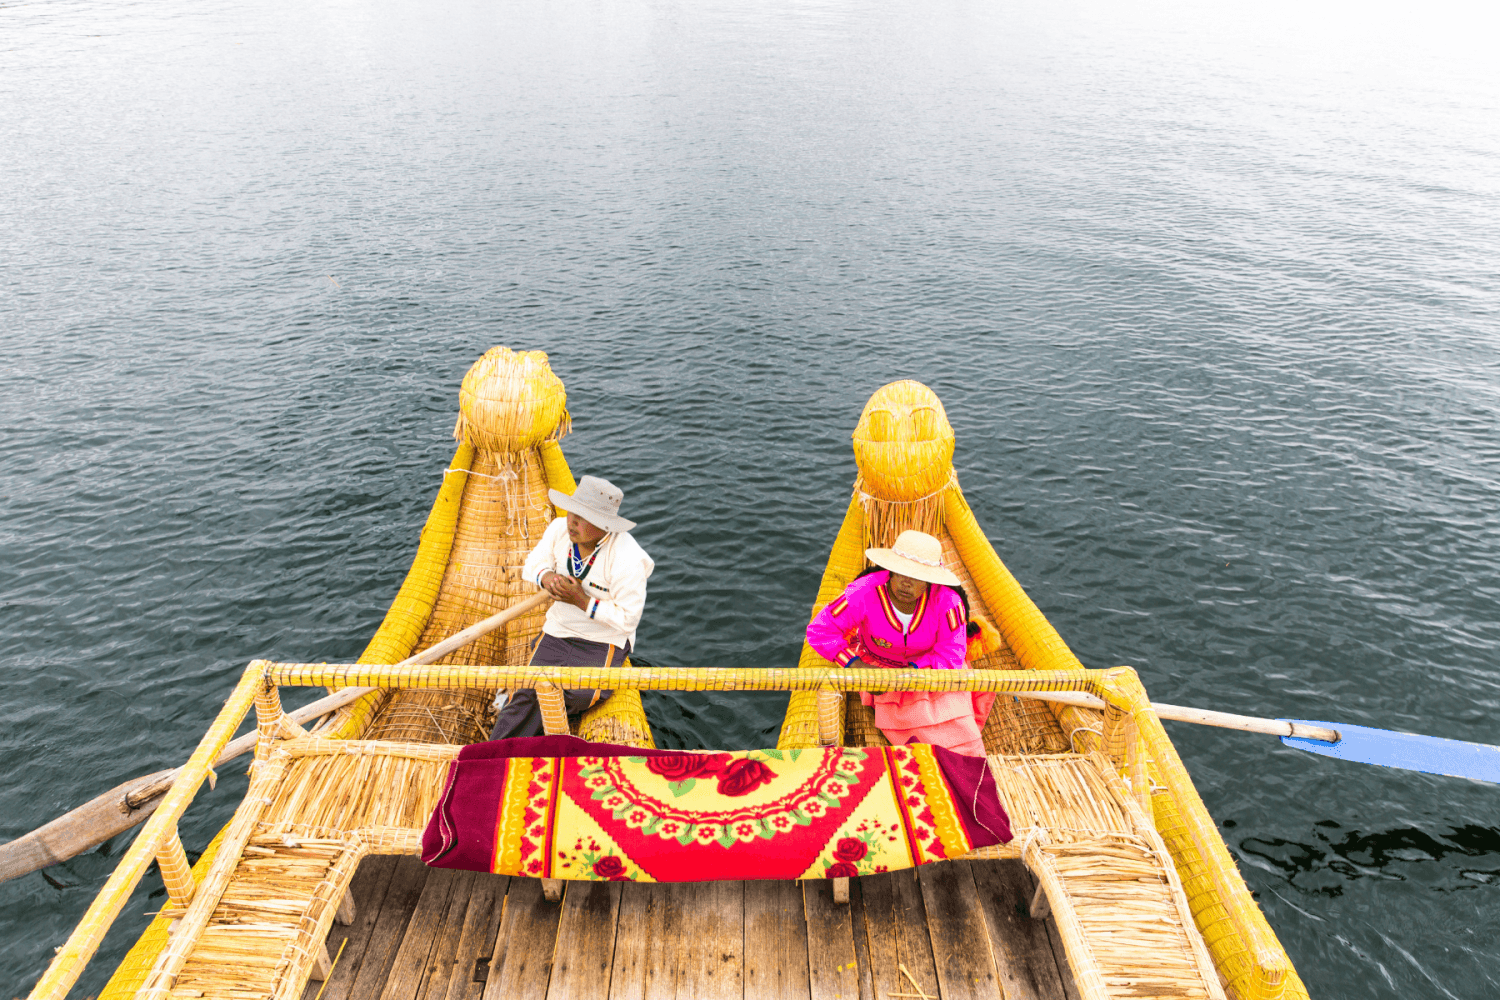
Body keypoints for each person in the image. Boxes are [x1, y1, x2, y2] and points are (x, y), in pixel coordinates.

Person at [490, 475, 653, 740]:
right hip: (558, 629)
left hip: (603, 640)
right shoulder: (559, 530)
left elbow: (628, 619)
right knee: (528, 691)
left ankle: (529, 737)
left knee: (578, 694)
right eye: (571, 512)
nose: (572, 522)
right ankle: (493, 756)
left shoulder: (627, 558)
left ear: (605, 526)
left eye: (583, 517)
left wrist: (583, 601)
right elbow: (533, 563)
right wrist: (546, 577)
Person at [805, 529, 995, 756]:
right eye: (902, 573)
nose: (907, 583)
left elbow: (951, 654)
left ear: (930, 581)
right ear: (891, 570)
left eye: (918, 577)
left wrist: (913, 672)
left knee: (964, 736)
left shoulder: (948, 602)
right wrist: (856, 667)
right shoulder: (863, 592)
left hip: (932, 672)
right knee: (921, 743)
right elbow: (820, 630)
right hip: (880, 670)